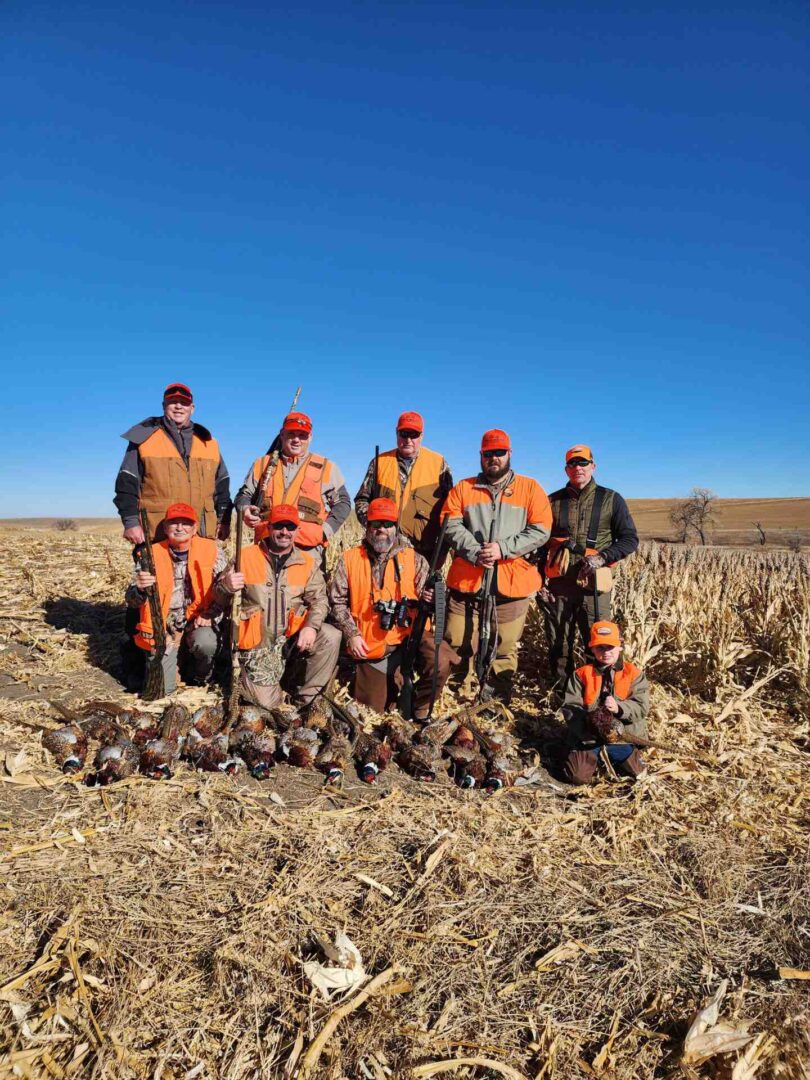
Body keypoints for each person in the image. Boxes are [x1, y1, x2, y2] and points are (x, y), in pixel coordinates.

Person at [442, 430, 552, 704]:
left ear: (509, 454)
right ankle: (462, 693)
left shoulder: (530, 489)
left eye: (499, 453)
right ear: (480, 455)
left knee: (504, 645)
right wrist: (475, 550)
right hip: (468, 580)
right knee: (458, 639)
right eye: (488, 453)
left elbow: (541, 529)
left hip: (511, 584)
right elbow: (450, 523)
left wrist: (503, 548)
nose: (494, 458)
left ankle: (496, 697)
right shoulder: (463, 489)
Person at [328, 498, 458, 717]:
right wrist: (352, 634)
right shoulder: (349, 560)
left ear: (395, 526)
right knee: (372, 712)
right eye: (376, 523)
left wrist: (433, 598)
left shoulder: (415, 560)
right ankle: (393, 681)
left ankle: (422, 706)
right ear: (367, 526)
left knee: (441, 659)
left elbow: (438, 603)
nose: (382, 529)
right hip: (371, 645)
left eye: (387, 524)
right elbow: (336, 603)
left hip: (410, 637)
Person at [215, 504, 341, 713]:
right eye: (279, 526)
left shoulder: (307, 562)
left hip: (291, 642)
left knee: (330, 635)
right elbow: (218, 598)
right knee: (265, 706)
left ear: (297, 530)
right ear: (268, 527)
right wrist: (226, 586)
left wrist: (311, 626)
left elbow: (320, 600)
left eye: (290, 527)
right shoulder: (244, 557)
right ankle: (269, 686)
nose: (284, 532)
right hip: (258, 647)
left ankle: (307, 701)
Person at [540, 444, 639, 685]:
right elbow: (539, 543)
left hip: (594, 586)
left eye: (583, 463)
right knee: (558, 642)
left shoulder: (611, 499)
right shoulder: (551, 501)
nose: (578, 468)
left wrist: (602, 557)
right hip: (559, 585)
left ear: (593, 466)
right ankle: (564, 692)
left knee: (600, 642)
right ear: (566, 469)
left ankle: (603, 693)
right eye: (573, 464)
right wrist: (538, 582)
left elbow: (629, 539)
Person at [126, 503, 227, 695]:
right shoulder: (149, 555)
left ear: (195, 528)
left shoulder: (213, 551)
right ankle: (173, 664)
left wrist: (211, 613)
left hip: (198, 621)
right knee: (163, 691)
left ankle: (200, 677)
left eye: (186, 523)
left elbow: (225, 591)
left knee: (206, 642)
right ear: (165, 528)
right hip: (163, 629)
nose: (180, 528)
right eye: (174, 523)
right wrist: (139, 589)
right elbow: (131, 600)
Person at [114, 382, 231, 544]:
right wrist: (131, 522)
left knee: (205, 570)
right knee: (155, 570)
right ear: (163, 405)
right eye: (173, 402)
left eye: (184, 403)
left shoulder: (209, 442)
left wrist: (223, 520)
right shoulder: (143, 439)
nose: (178, 407)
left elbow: (222, 488)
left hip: (202, 534)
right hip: (157, 534)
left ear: (192, 408)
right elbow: (126, 485)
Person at [234, 411, 351, 556]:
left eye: (302, 435)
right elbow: (243, 495)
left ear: (310, 437)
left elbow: (343, 503)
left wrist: (325, 531)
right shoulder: (262, 464)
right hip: (266, 547)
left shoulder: (326, 467)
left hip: (307, 550)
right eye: (291, 434)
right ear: (282, 434)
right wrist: (245, 509)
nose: (297, 440)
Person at [354, 411, 453, 559]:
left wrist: (443, 550)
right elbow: (362, 500)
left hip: (424, 555)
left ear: (422, 436)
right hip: (383, 553)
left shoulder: (439, 464)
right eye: (404, 433)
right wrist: (375, 527)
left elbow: (450, 510)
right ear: (396, 433)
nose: (408, 440)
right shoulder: (379, 462)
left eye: (414, 435)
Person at [560, 621, 649, 784]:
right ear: (592, 648)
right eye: (600, 647)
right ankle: (592, 757)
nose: (606, 652)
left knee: (639, 775)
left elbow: (641, 707)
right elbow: (570, 708)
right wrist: (586, 732)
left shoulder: (634, 674)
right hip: (589, 739)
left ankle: (622, 756)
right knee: (577, 777)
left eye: (610, 646)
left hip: (622, 737)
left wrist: (619, 708)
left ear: (620, 646)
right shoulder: (581, 674)